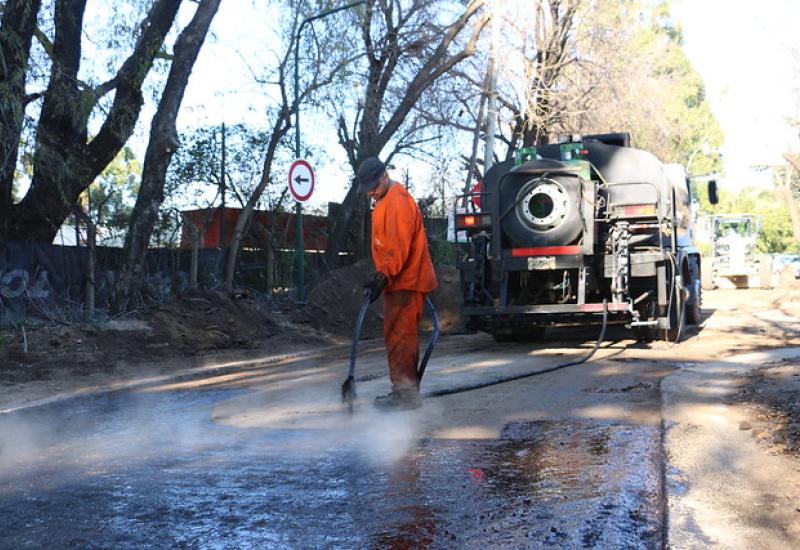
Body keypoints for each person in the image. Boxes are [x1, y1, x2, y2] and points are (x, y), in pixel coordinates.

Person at [356, 157, 438, 411]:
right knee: (395, 336)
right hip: (397, 281)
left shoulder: (398, 202)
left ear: (384, 176)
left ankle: (406, 395)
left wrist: (383, 275)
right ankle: (403, 391)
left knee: (401, 337)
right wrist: (382, 276)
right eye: (366, 187)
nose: (370, 191)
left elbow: (398, 249)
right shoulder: (383, 201)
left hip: (406, 280)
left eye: (373, 185)